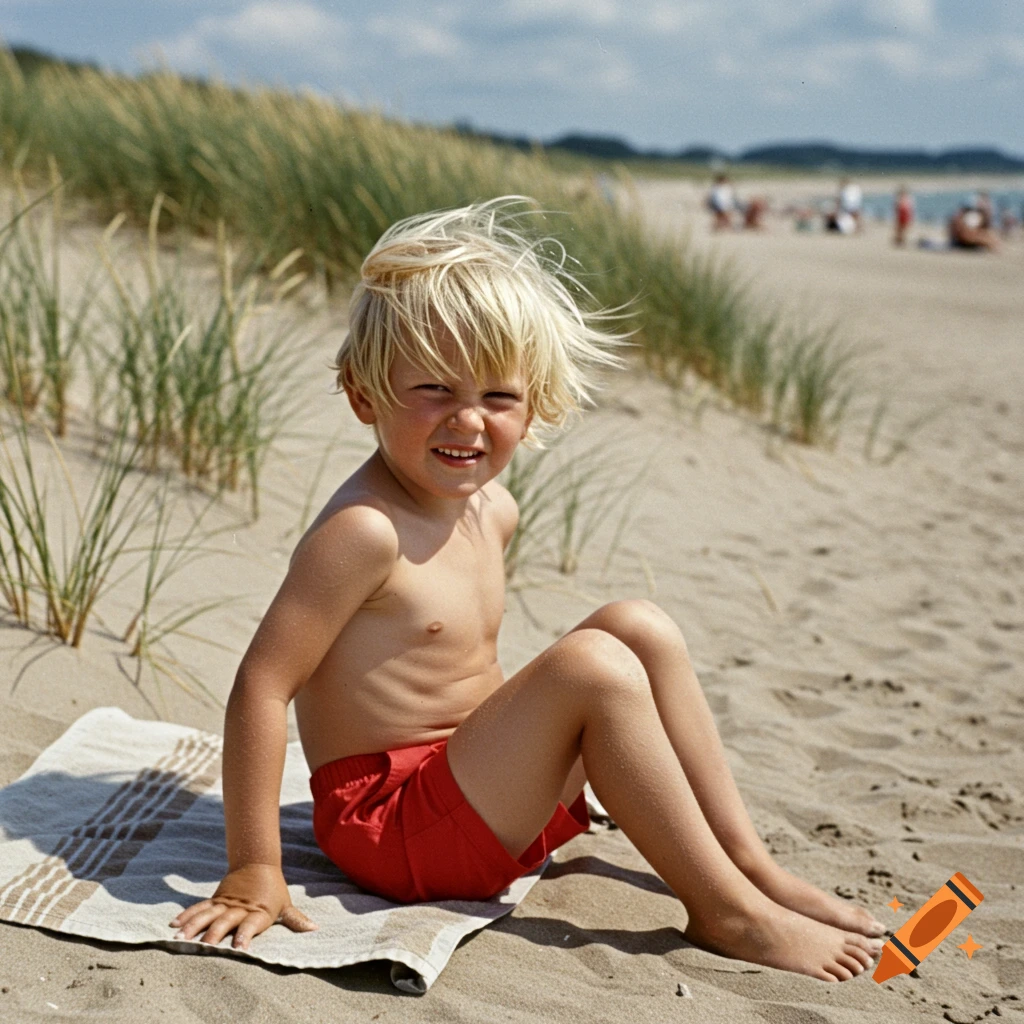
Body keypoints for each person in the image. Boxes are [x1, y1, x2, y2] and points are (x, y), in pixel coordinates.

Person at [169, 198, 885, 982]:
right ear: (363, 394)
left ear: (534, 402)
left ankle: (748, 863)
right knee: (592, 667)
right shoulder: (364, 533)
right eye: (434, 390)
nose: (468, 422)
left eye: (498, 397)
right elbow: (261, 688)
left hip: (470, 789)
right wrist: (254, 868)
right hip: (393, 830)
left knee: (636, 624)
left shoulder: (492, 507)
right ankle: (729, 914)